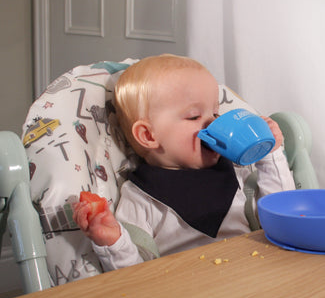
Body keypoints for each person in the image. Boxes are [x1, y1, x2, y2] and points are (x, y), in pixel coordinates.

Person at [73, 54, 295, 271]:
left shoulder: (237, 174)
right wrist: (112, 241)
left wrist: (270, 154)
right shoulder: (141, 197)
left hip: (254, 274)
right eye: (194, 117)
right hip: (184, 296)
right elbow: (133, 275)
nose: (213, 124)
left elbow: (285, 216)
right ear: (149, 136)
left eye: (216, 114)